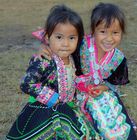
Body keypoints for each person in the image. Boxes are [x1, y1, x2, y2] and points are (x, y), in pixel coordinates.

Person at [36, 3, 137, 140]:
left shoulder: (118, 59)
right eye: (103, 32)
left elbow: (114, 83)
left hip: (100, 97)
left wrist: (104, 87)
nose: (109, 38)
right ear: (93, 30)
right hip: (72, 95)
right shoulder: (80, 45)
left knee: (114, 125)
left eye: (115, 32)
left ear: (122, 33)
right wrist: (45, 47)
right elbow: (60, 40)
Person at [6, 5, 101, 140]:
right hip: (43, 111)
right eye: (59, 37)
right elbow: (26, 83)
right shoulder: (45, 59)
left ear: (78, 39)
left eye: (71, 38)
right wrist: (51, 98)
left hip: (66, 109)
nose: (65, 44)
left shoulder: (73, 58)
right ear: (48, 37)